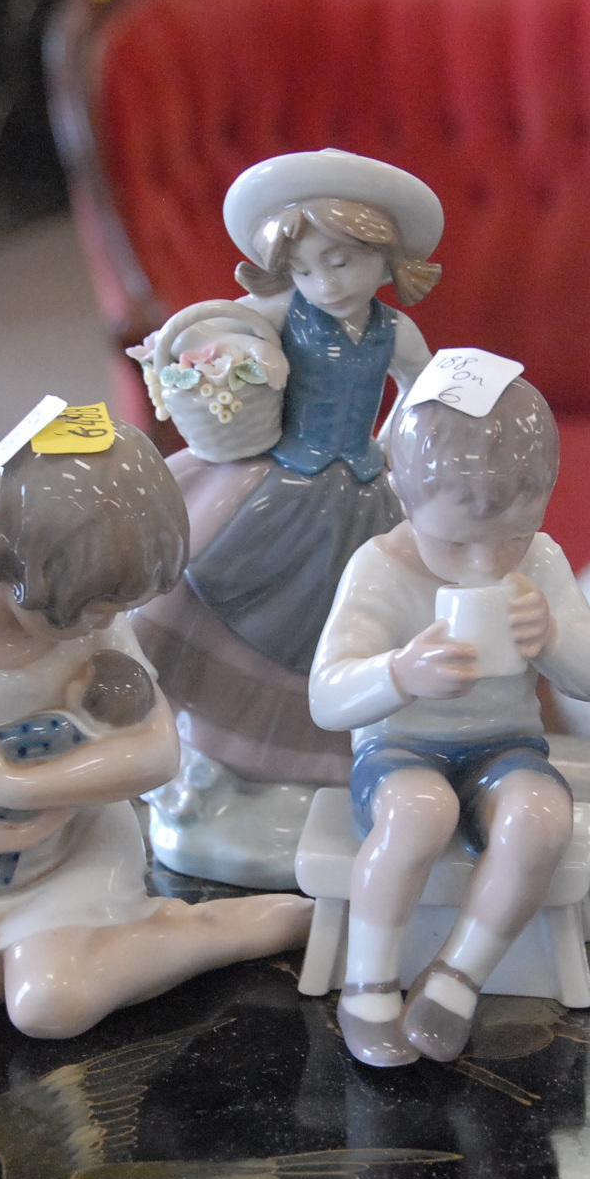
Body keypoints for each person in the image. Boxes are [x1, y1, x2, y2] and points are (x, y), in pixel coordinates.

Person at [0, 423, 313, 1038]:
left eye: (113, 609)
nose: (105, 624)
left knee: (51, 1007)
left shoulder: (90, 614)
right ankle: (50, 957)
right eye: (92, 609)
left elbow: (156, 752)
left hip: (73, 850)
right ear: (22, 571)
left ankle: (210, 932)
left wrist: (17, 790)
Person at [132, 150, 441, 887]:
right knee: (205, 578)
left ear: (385, 257)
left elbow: (422, 390)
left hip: (359, 492)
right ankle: (212, 745)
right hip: (270, 485)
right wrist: (226, 359)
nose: (325, 282)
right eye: (304, 269)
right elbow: (220, 334)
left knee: (341, 626)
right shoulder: (281, 313)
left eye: (341, 261)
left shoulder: (394, 332)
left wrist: (392, 447)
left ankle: (309, 766)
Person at [308, 376, 590, 1066]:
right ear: (403, 495)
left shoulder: (542, 563)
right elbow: (326, 697)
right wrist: (398, 673)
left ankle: (456, 978)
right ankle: (367, 984)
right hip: (400, 748)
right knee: (420, 813)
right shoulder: (378, 569)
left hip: (503, 749)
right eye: (454, 543)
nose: (486, 564)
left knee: (540, 818)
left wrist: (553, 641)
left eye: (514, 536)